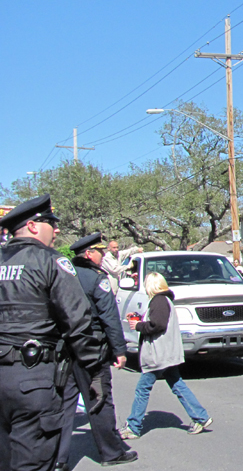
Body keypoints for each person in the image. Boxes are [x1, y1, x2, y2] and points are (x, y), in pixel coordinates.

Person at [0, 195, 106, 471]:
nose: (56, 230)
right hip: (33, 378)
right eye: (51, 223)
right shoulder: (51, 261)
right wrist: (93, 369)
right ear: (33, 226)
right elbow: (78, 321)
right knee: (33, 461)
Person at [57, 233, 137, 469]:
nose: (103, 255)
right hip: (91, 349)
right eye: (100, 251)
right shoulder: (96, 278)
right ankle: (111, 452)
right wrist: (119, 349)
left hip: (65, 349)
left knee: (64, 405)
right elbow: (109, 317)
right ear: (89, 254)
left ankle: (58, 459)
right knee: (99, 400)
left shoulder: (62, 275)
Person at [119, 272, 212, 439]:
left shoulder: (159, 301)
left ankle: (133, 426)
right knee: (177, 385)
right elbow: (158, 321)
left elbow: (158, 325)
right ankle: (200, 417)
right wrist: (140, 319)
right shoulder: (165, 300)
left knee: (143, 389)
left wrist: (139, 325)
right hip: (167, 353)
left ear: (151, 285)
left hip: (158, 354)